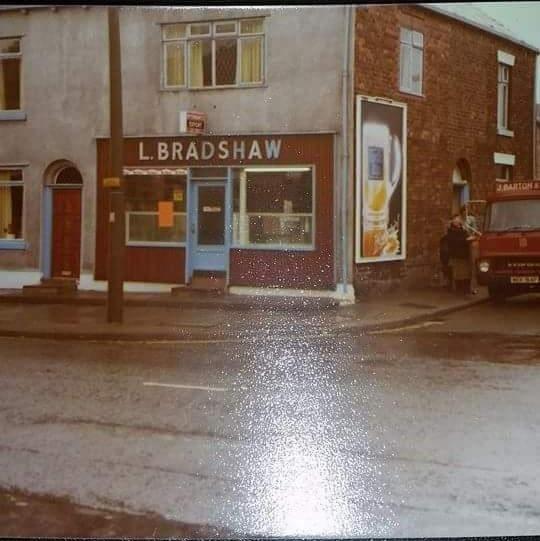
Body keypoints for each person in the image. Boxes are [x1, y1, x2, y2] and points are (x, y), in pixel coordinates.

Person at [447, 214, 473, 295]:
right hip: (457, 255)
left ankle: (466, 290)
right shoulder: (451, 230)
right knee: (459, 274)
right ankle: (460, 290)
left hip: (464, 254)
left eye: (459, 218)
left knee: (466, 273)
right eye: (457, 219)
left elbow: (465, 236)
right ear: (453, 221)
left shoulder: (462, 229)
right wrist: (467, 240)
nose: (459, 220)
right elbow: (455, 241)